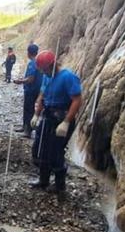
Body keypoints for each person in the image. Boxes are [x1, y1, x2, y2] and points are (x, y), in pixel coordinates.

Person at [29, 50, 83, 200]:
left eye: (45, 69)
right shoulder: (47, 77)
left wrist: (66, 122)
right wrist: (36, 114)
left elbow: (77, 100)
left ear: (52, 65)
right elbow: (42, 95)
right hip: (48, 117)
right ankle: (43, 180)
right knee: (40, 149)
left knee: (56, 152)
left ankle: (60, 187)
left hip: (62, 118)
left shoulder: (67, 77)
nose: (43, 72)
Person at [13, 44, 42, 138]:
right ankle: (25, 126)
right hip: (36, 89)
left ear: (29, 53)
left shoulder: (32, 63)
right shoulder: (38, 62)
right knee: (27, 108)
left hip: (31, 90)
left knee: (29, 109)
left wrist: (20, 81)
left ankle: (28, 131)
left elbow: (30, 79)